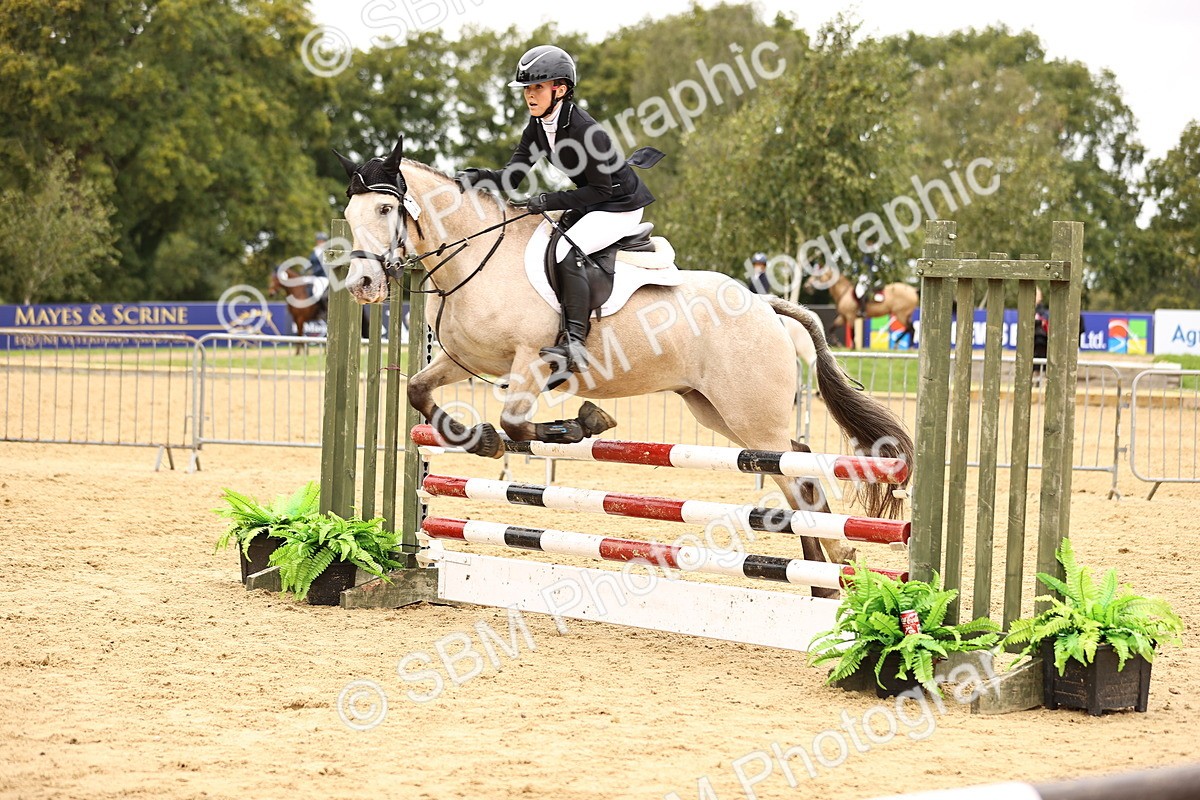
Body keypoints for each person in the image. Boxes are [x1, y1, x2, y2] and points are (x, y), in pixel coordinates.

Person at [454, 45, 659, 375]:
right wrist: (479, 176)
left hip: (619, 206)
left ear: (559, 89)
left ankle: (575, 343)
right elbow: (513, 176)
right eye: (527, 89)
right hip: (594, 202)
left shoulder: (583, 130)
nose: (529, 96)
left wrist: (547, 201)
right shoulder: (538, 126)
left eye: (537, 87)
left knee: (566, 249)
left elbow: (600, 190)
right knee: (542, 241)